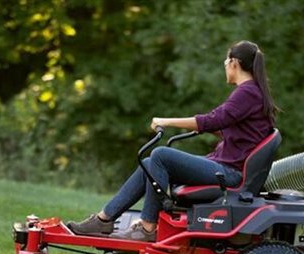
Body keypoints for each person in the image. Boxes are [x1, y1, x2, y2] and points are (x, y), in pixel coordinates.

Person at [67, 40, 278, 241]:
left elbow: (212, 120)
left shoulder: (247, 93)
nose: (225, 67)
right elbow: (236, 133)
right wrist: (214, 130)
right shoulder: (252, 93)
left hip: (229, 174)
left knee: (160, 155)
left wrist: (165, 121)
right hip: (225, 167)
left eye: (225, 62)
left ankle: (148, 227)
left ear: (234, 63)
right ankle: (104, 219)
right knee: (150, 163)